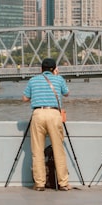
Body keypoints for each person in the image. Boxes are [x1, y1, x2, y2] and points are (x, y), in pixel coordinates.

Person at [22, 57, 70, 191]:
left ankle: (40, 183)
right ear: (54, 69)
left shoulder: (33, 80)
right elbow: (66, 93)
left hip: (38, 113)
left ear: (41, 69)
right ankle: (63, 183)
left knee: (37, 151)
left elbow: (25, 98)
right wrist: (57, 76)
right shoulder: (58, 79)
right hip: (54, 114)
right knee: (58, 150)